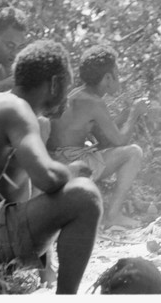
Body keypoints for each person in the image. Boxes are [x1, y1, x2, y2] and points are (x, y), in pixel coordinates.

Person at [0, 40, 103, 294]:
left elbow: (29, 191)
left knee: (39, 183)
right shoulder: (18, 110)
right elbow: (47, 179)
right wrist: (72, 171)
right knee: (85, 196)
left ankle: (46, 274)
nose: (67, 99)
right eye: (66, 87)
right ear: (53, 84)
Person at [47, 45, 148, 228]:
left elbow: (103, 138)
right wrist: (134, 114)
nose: (120, 78)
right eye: (117, 72)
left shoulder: (78, 94)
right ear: (108, 77)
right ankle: (112, 215)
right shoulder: (94, 102)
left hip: (58, 161)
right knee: (134, 153)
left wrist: (125, 115)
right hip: (72, 165)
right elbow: (119, 141)